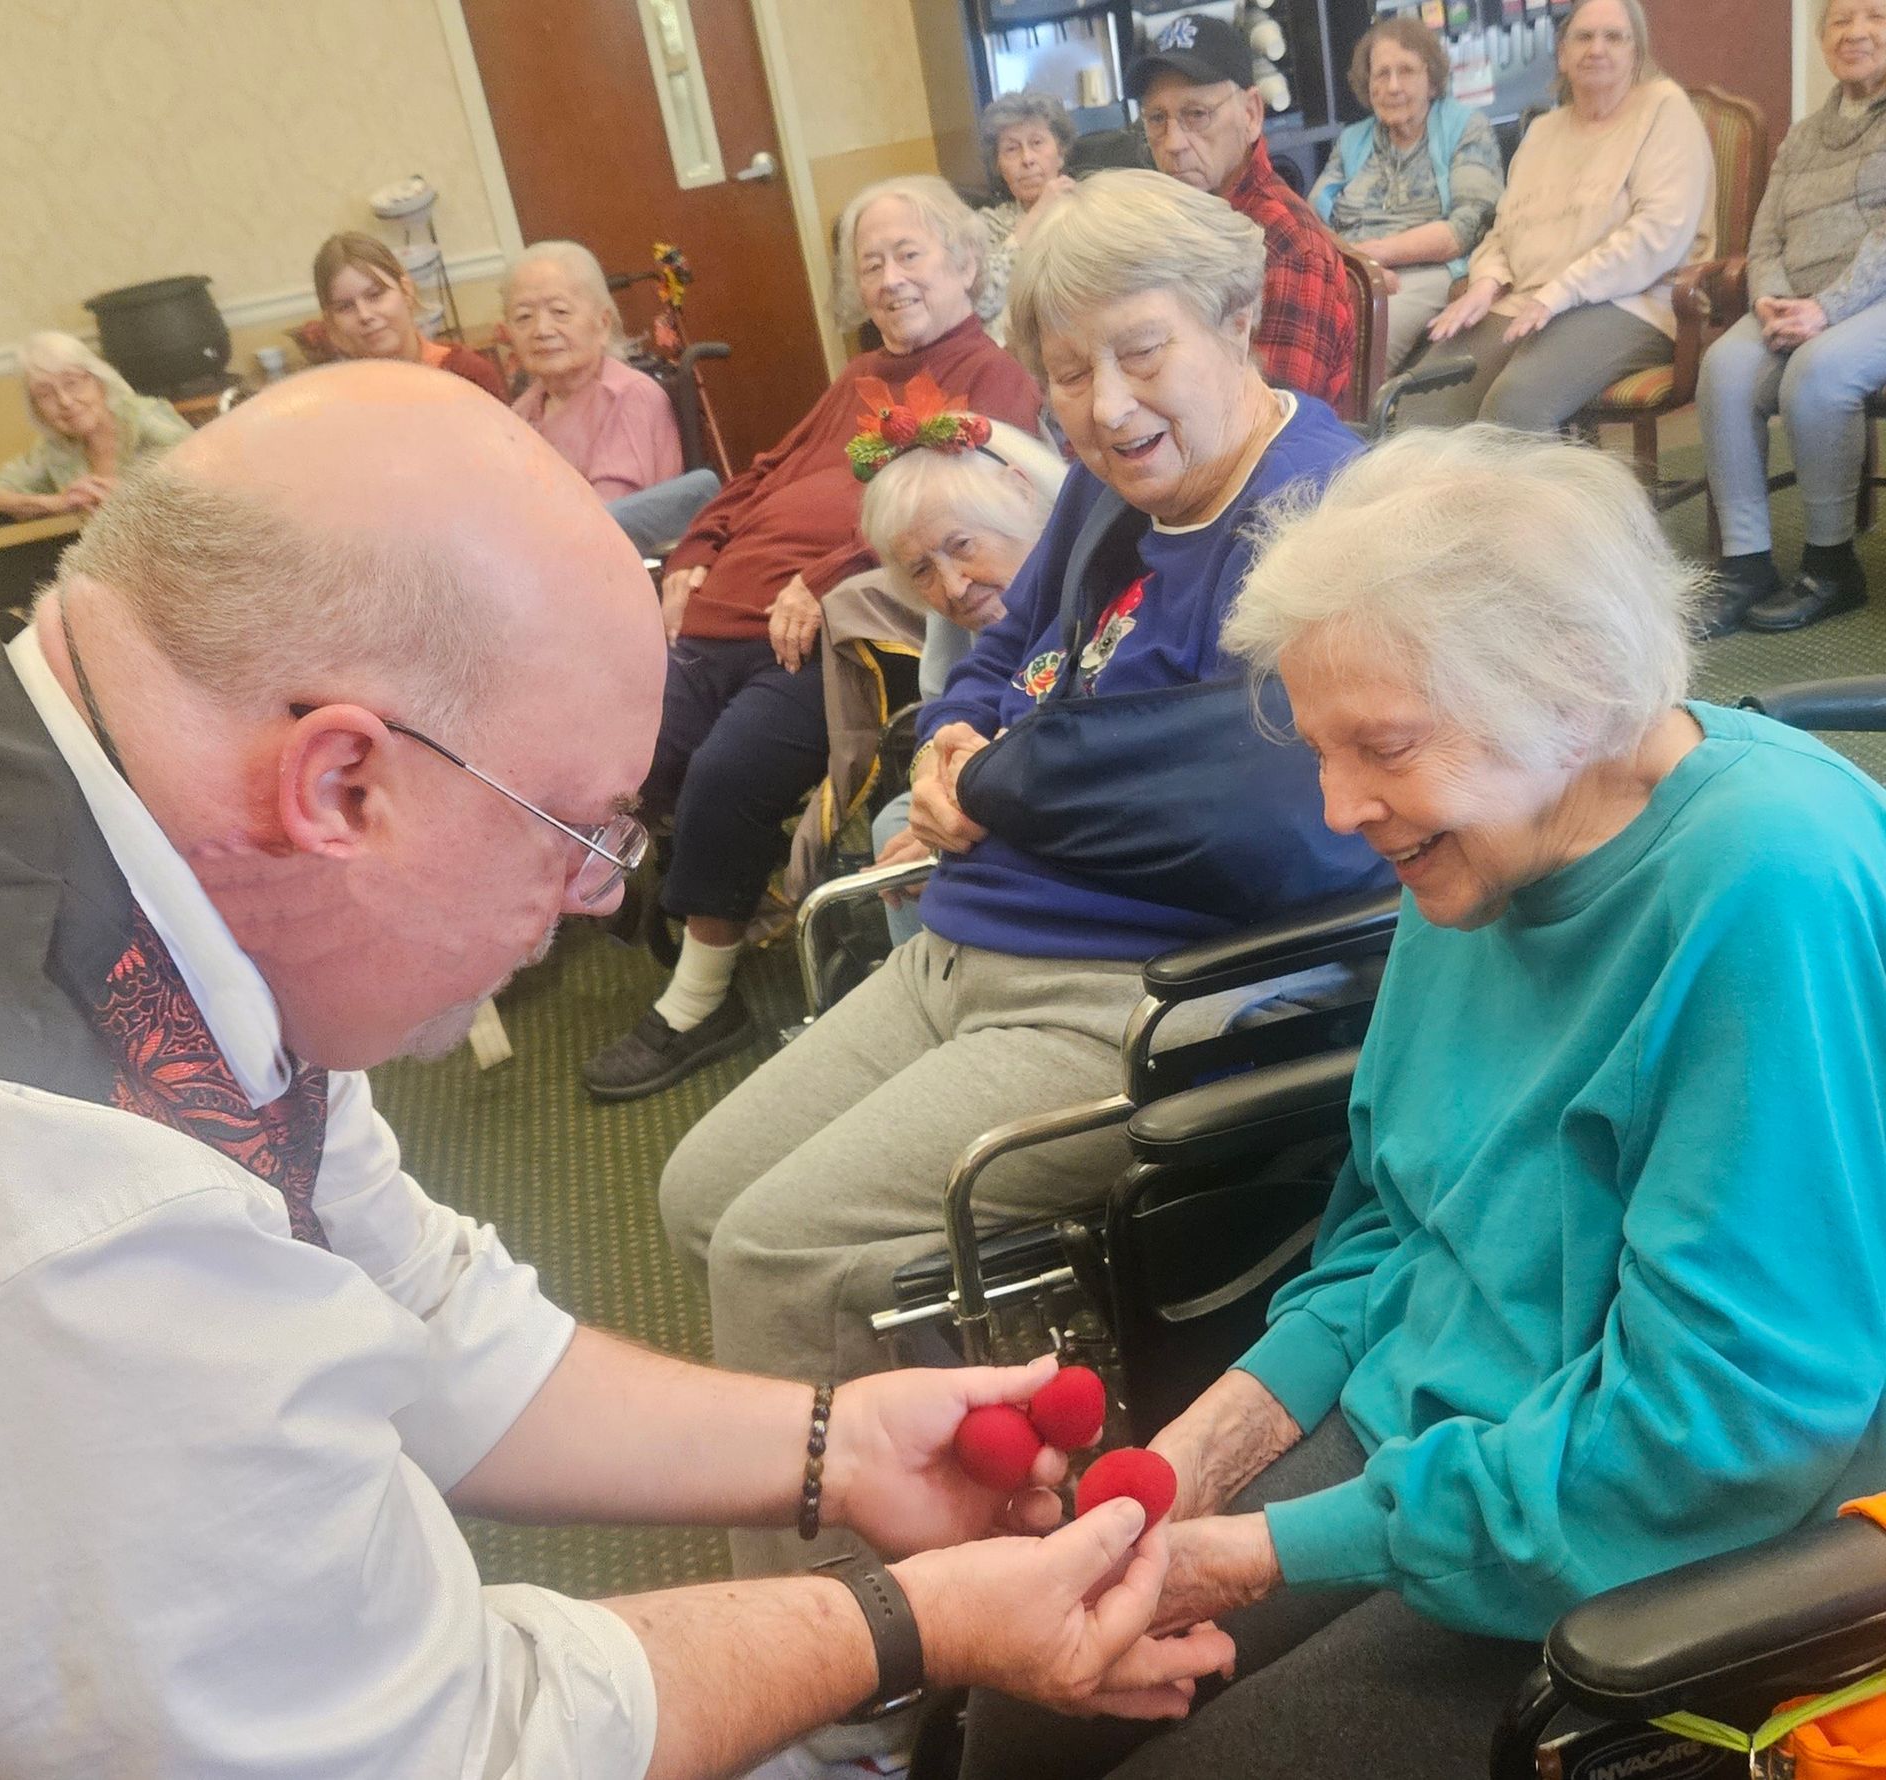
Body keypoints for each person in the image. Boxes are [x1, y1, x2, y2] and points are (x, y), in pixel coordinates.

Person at [0, 360, 1232, 1779]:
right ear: (342, 786)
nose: (591, 898)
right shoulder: (68, 1202)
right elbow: (441, 1750)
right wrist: (909, 1623)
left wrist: (838, 1444)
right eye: (573, 828)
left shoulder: (140, 846)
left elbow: (425, 1310)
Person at [955, 424, 1886, 1780]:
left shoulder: (1766, 888)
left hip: (1637, 1511)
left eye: (1380, 746)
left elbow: (1716, 1432)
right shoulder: (1482, 842)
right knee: (1034, 1683)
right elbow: (1392, 1228)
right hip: (1433, 1426)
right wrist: (1194, 1457)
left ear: (1571, 687)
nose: (1338, 809)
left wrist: (1264, 1549)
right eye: (1323, 750)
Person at [657, 177, 1392, 1774]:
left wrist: (995, 777)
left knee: (783, 1248)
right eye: (1064, 370)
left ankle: (845, 1695)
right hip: (967, 936)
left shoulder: (1321, 511)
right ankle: (912, 1541)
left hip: (1145, 997)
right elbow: (990, 661)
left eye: (1139, 353)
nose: (1105, 406)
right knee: (699, 1191)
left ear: (1234, 320)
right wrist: (961, 735)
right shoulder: (1111, 499)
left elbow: (1255, 801)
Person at [582, 174, 1043, 1102]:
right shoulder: (860, 377)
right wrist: (694, 556)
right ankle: (683, 893)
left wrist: (822, 577)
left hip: (830, 638)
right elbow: (759, 473)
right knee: (624, 757)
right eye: (871, 264)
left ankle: (703, 1000)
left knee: (724, 775)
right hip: (720, 616)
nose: (889, 278)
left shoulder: (990, 378)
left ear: (965, 261)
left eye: (909, 253)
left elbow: (962, 520)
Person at [1403, 0, 1715, 430]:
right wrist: (1484, 284)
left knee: (1514, 406)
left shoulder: (1664, 109)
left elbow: (1657, 236)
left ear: (1636, 53)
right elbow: (1504, 230)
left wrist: (1561, 291)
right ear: (1563, 55)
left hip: (1630, 303)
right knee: (1422, 400)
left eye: (1615, 37)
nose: (1597, 49)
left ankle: (1524, 499)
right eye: (1583, 37)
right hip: (1528, 301)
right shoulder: (1542, 131)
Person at [1696, 0, 1886, 636]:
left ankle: (1832, 564)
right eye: (1840, 21)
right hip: (1797, 301)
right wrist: (1769, 299)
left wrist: (1826, 309)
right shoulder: (1805, 134)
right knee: (1723, 367)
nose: (1856, 32)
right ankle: (1746, 563)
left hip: (1872, 298)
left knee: (1818, 372)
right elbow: (1768, 232)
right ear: (1822, 38)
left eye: (1877, 16)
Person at [857, 412, 1069, 945]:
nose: (952, 589)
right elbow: (955, 703)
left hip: (1064, 794)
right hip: (1010, 781)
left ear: (1019, 496)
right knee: (898, 826)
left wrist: (956, 823)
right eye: (921, 571)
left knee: (914, 845)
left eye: (962, 545)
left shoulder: (1080, 582)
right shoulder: (983, 612)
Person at [1129, 14, 1356, 409]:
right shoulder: (1169, 223)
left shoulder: (1286, 245)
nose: (1173, 143)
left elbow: (1275, 422)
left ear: (1251, 113)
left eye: (1196, 114)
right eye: (1157, 118)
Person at [1309, 16, 1504, 372]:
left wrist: (1376, 256)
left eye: (1407, 71)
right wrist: (1360, 266)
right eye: (1381, 74)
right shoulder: (1353, 140)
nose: (1393, 86)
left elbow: (1469, 225)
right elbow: (1311, 222)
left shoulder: (1465, 127)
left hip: (1429, 270)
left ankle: (1352, 428)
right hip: (1353, 270)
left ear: (1432, 80)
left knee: (1358, 343)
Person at [506, 238, 721, 558]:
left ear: (603, 324)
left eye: (560, 312)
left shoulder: (628, 397)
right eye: (524, 316)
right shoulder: (521, 411)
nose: (541, 329)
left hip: (617, 566)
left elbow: (608, 520)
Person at [0, 331, 189, 519]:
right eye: (45, 394)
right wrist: (54, 503)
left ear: (100, 382)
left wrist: (133, 495)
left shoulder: (145, 419)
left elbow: (209, 476)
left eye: (72, 383)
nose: (65, 401)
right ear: (37, 410)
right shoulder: (57, 450)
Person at [312, 230, 509, 399]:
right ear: (331, 321)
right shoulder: (339, 401)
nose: (364, 315)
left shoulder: (468, 374)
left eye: (375, 295)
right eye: (345, 307)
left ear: (406, 290)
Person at [972, 92, 1078, 345]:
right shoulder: (986, 226)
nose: (1027, 159)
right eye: (1011, 149)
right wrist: (1036, 216)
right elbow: (981, 303)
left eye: (1037, 143)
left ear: (1060, 152)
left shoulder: (1090, 210)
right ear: (998, 165)